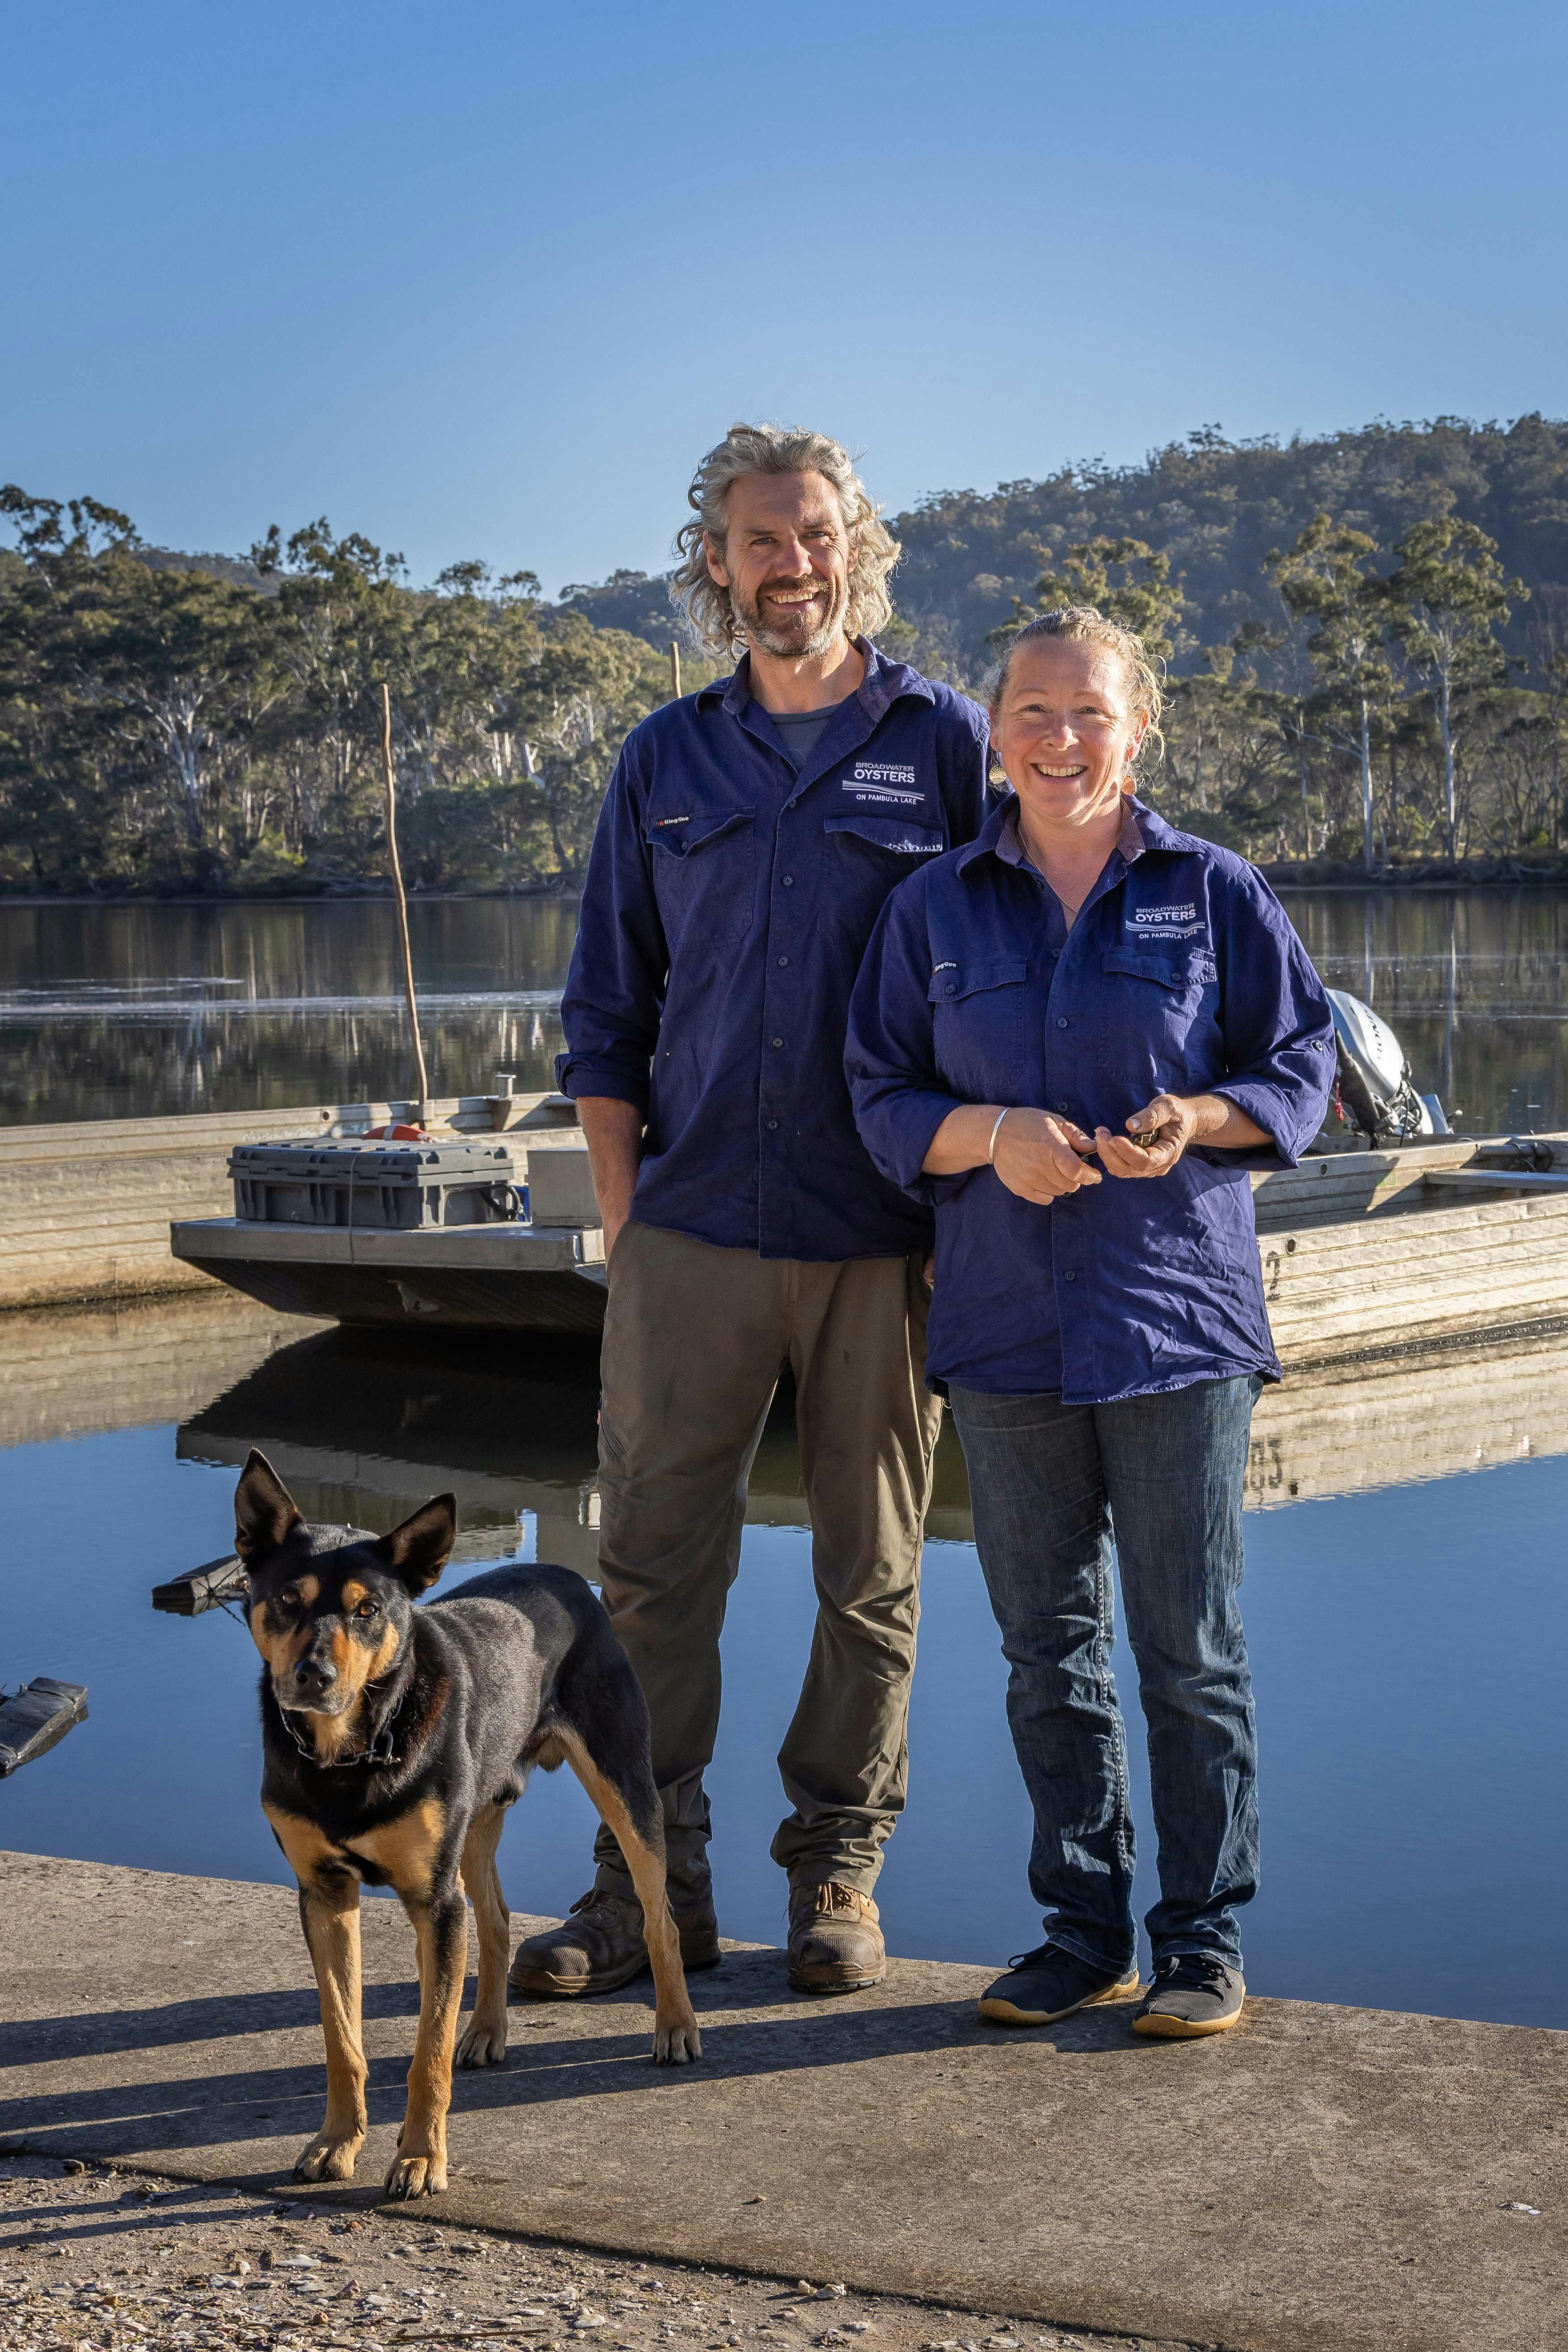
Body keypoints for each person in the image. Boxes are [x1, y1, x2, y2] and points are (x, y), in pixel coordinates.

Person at [518, 424, 991, 2002]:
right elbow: (607, 1006)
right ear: (713, 566)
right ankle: (643, 1888)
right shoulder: (665, 761)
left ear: (857, 545)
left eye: (814, 535)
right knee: (651, 1574)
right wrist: (631, 1220)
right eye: (757, 542)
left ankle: (835, 1883)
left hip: (882, 1237)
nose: (790, 565)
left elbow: (1004, 972)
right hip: (695, 1234)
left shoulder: (946, 747)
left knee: (872, 1573)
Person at [845, 608, 1334, 2037]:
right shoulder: (933, 908)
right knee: (1044, 1649)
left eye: (1089, 716)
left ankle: (1201, 1941)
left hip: (1174, 1322)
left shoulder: (1216, 892)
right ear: (994, 731)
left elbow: (1301, 1066)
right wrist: (989, 1134)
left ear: (1139, 730)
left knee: (1189, 1650)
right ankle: (1078, 1930)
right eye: (1033, 713)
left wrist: (1198, 1115)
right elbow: (879, 1095)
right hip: (1002, 1331)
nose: (1061, 740)